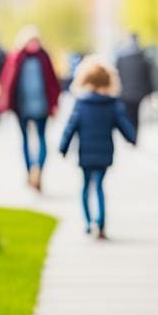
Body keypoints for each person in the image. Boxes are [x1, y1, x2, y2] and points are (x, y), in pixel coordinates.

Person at [58, 56, 136, 239]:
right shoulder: (112, 105)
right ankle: (100, 224)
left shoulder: (81, 104)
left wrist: (63, 147)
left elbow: (71, 127)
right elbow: (123, 124)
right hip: (104, 152)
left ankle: (87, 222)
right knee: (99, 186)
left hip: (85, 153)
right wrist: (131, 138)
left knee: (85, 187)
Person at [0, 25, 61, 191]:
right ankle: (35, 170)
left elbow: (7, 81)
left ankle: (33, 170)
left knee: (29, 138)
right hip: (31, 105)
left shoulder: (17, 56)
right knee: (38, 138)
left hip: (28, 105)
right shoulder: (42, 56)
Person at [115, 33, 154, 139]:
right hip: (138, 93)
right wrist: (150, 92)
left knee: (127, 114)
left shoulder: (121, 58)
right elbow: (148, 77)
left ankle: (130, 137)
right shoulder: (143, 57)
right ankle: (133, 136)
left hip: (125, 92)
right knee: (135, 115)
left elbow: (117, 75)